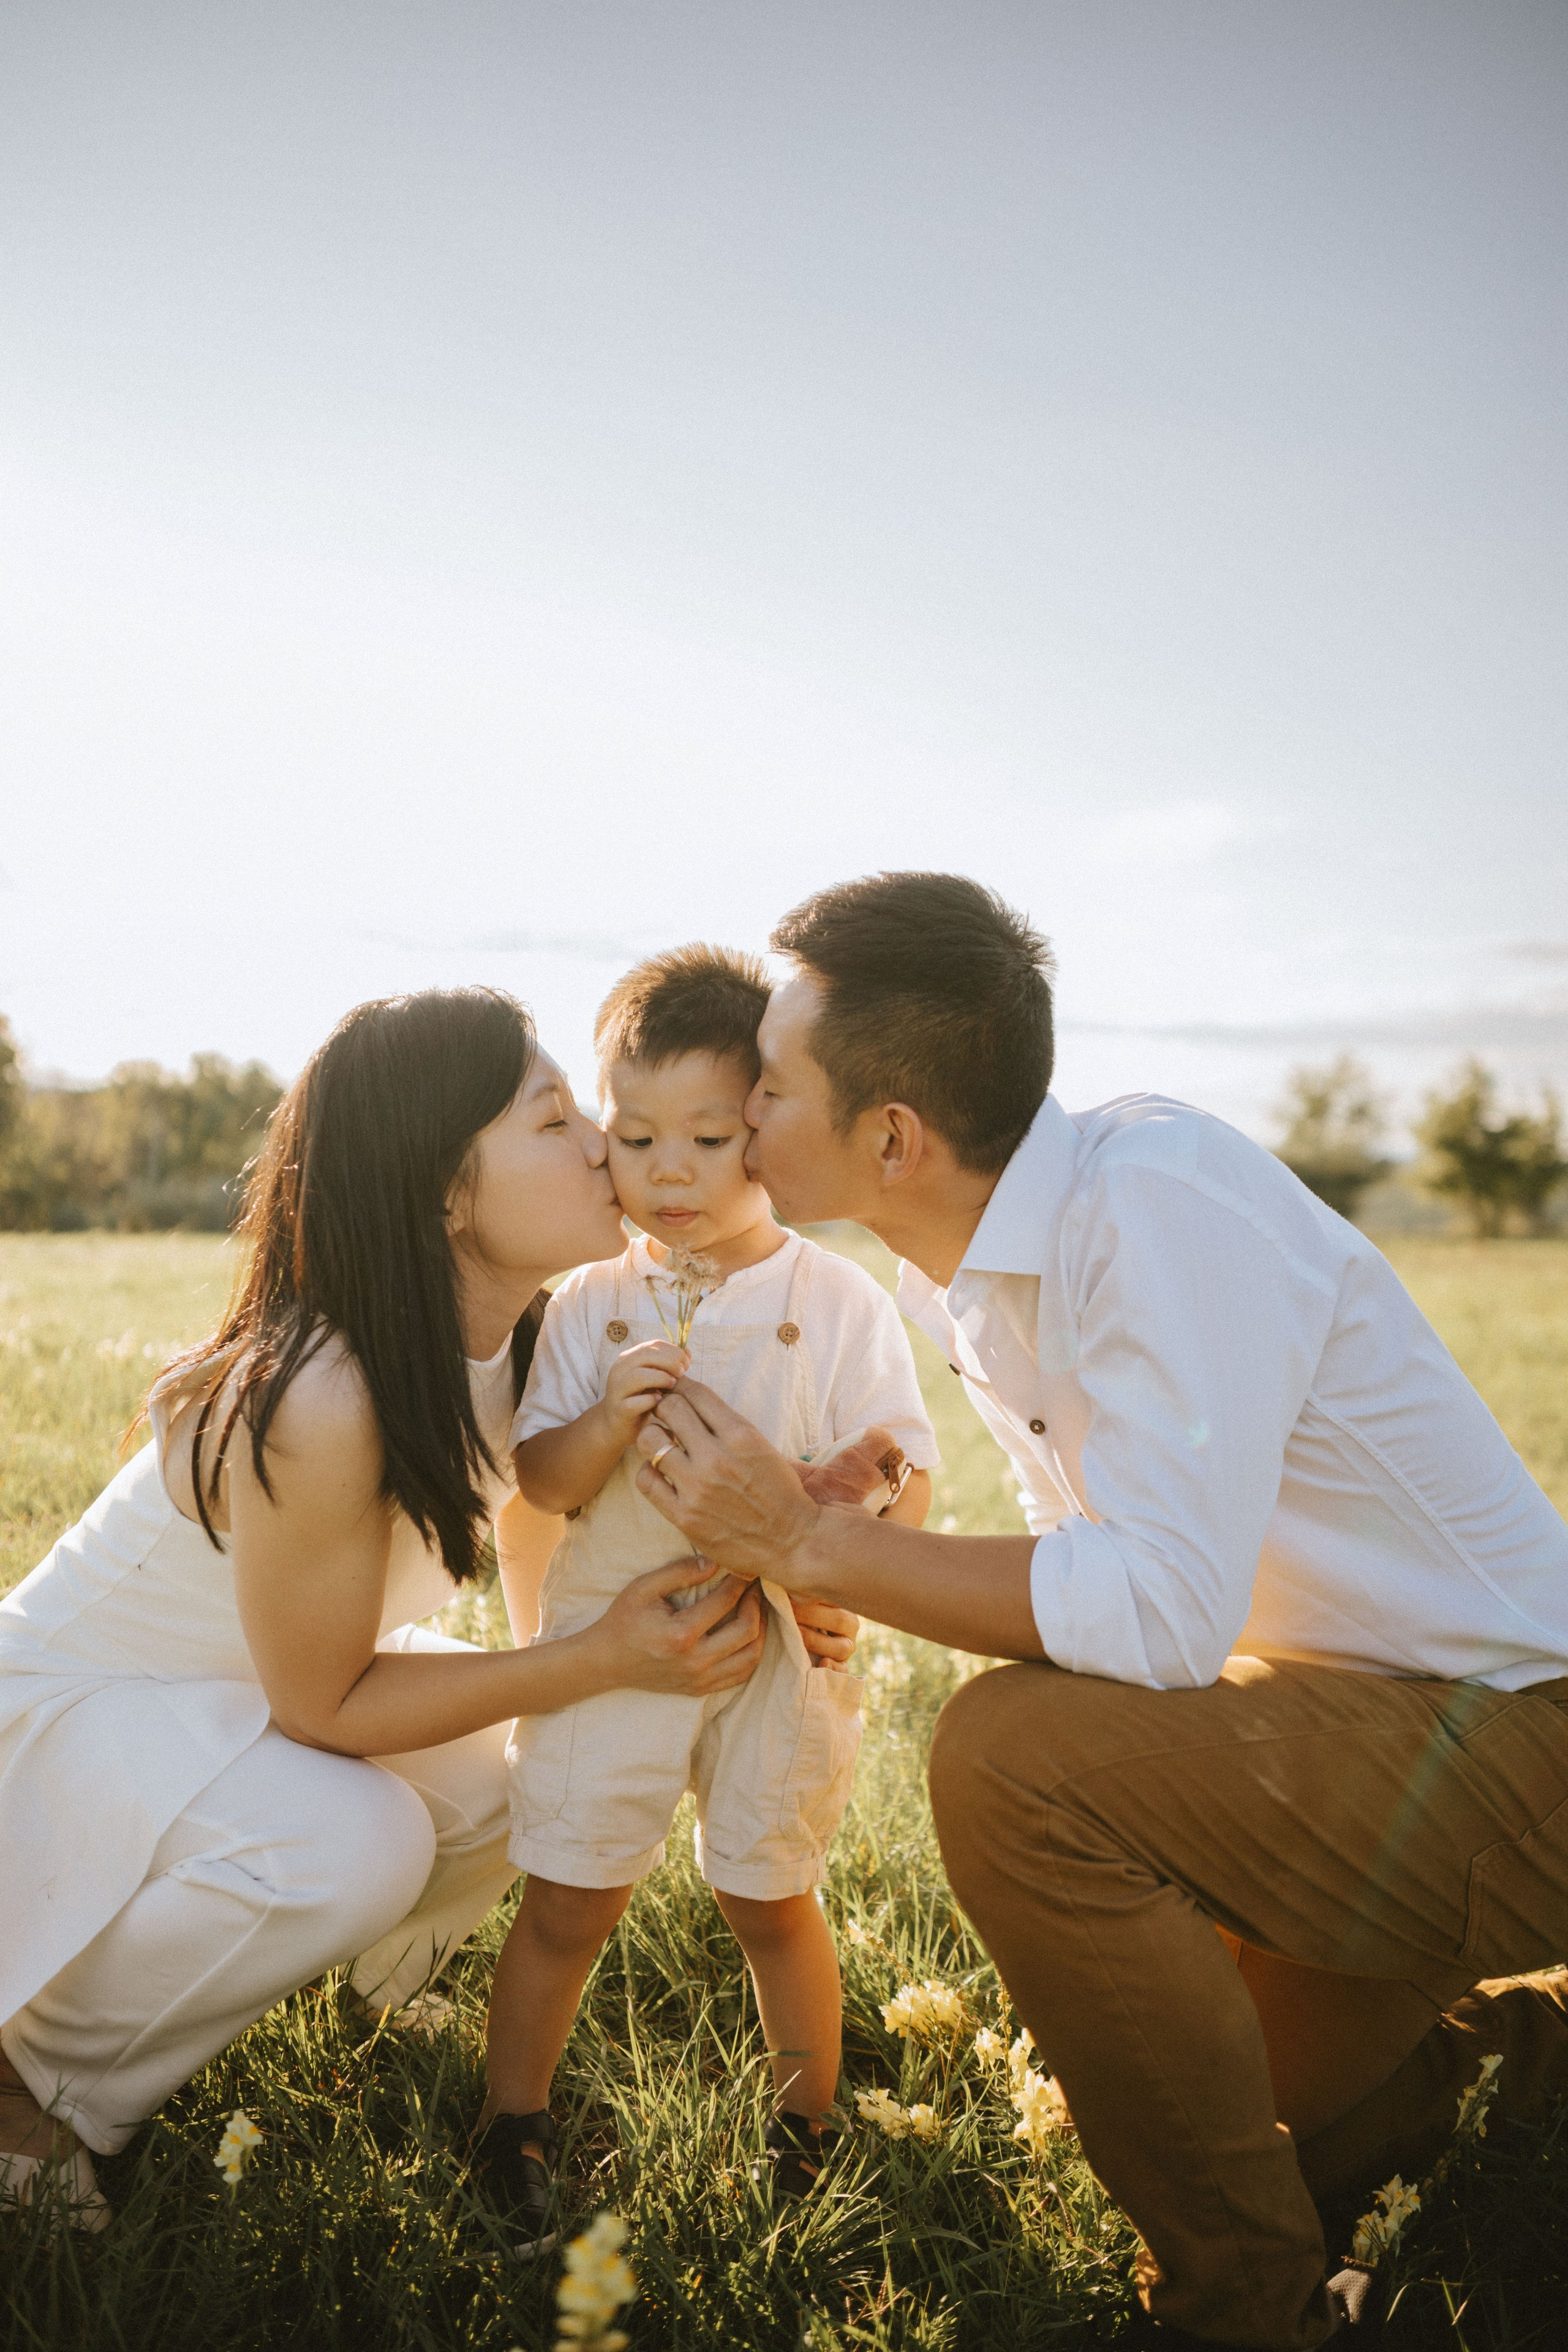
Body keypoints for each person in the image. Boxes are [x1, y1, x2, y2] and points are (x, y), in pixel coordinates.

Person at [627, 872, 1568, 2352]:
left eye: (771, 1083)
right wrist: (848, 1530)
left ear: (890, 1136)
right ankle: (1517, 2046)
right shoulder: (984, 1271)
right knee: (1222, 2114)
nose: (740, 1108)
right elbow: (1116, 1597)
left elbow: (1158, 1619)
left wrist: (811, 1548)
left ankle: (1240, 2320)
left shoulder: (1152, 1201)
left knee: (1009, 1760)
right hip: (1373, 1733)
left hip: (1522, 1748)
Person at [0, 986, 858, 2231]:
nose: (597, 1142)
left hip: (241, 1694)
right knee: (358, 1839)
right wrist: (603, 1657)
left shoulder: (521, 1333)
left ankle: (368, 1986)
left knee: (518, 1766)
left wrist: (789, 1579)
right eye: (553, 1117)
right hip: (72, 1721)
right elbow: (326, 1702)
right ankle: (41, 2082)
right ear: (449, 1190)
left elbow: (531, 1510)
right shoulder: (327, 1392)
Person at [478, 945, 936, 2245]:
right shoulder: (590, 1304)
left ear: (772, 1134)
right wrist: (605, 1424)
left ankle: (806, 2129)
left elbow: (896, 1466)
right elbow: (545, 1481)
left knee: (767, 1895)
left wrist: (866, 1498)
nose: (666, 1172)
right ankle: (512, 2120)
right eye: (632, 1138)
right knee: (567, 1896)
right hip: (608, 1643)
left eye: (709, 1136)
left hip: (778, 1652)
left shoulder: (835, 1298)